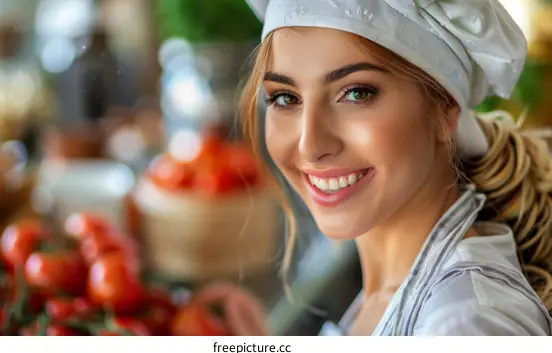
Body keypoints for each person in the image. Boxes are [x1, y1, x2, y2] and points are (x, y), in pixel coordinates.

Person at [192, 0, 552, 335]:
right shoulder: (394, 287)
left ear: (445, 109)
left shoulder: (468, 324)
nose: (310, 145)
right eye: (285, 98)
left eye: (356, 93)